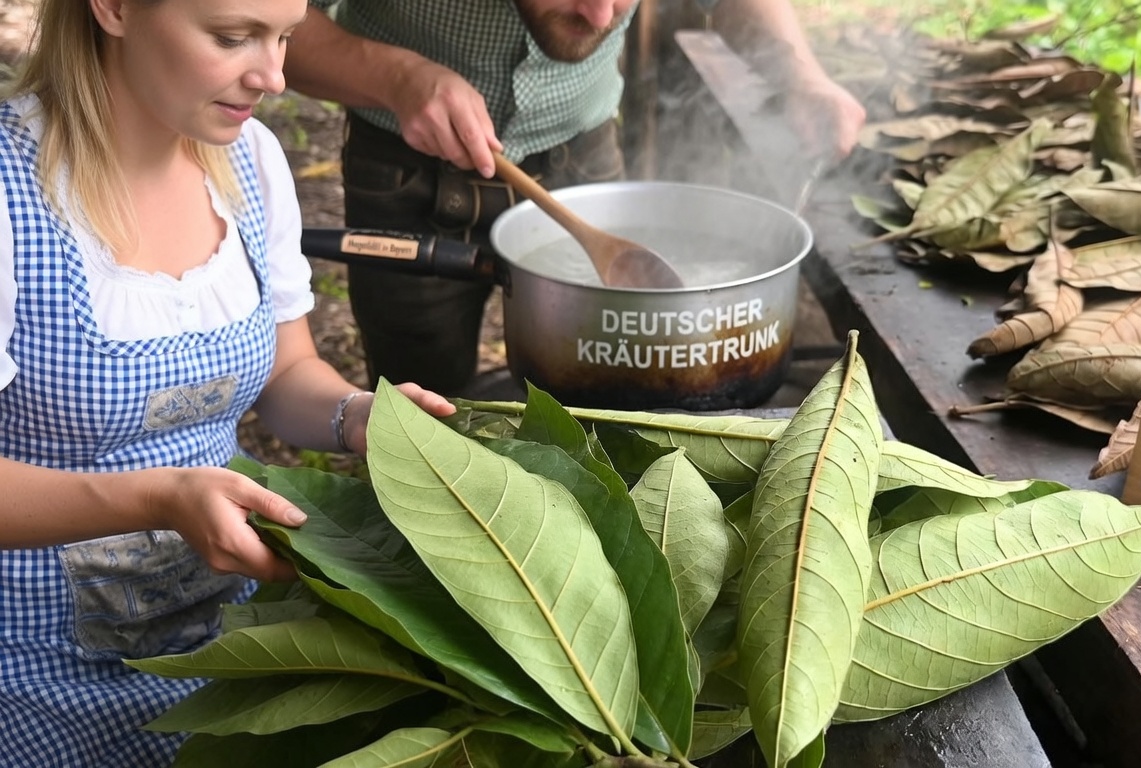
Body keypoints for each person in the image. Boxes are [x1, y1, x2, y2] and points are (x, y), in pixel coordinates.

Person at [0, 0, 455, 765]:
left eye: (284, 38)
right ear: (114, 8)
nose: (273, 77)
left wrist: (359, 415)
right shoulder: (10, 193)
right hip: (32, 677)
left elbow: (286, 371)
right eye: (233, 37)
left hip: (227, 657)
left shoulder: (250, 162)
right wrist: (160, 497)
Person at [282, 0, 867, 396]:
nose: (602, 15)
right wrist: (395, 77)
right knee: (420, 400)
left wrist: (800, 77)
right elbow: (260, 21)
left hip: (583, 157)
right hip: (406, 164)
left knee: (610, 397)